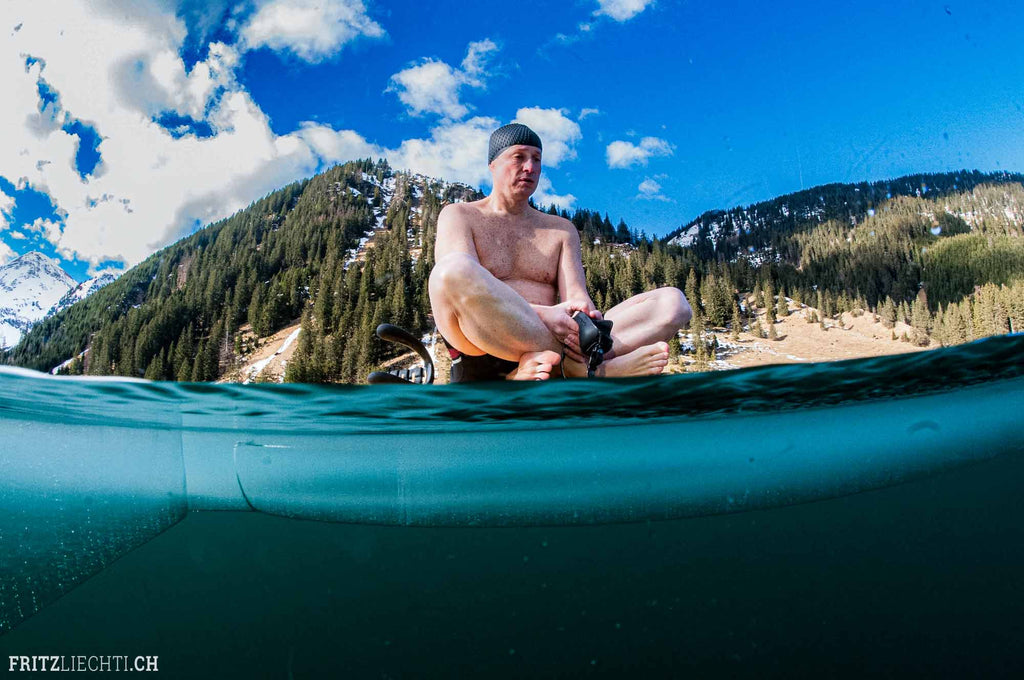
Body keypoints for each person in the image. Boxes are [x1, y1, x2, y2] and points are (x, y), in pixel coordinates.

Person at [429, 122, 692, 381]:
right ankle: (584, 370)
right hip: (483, 341)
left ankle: (572, 366)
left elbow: (577, 298)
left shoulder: (561, 230)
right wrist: (543, 313)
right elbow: (457, 284)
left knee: (673, 303)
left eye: (537, 159)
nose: (530, 167)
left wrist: (583, 320)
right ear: (493, 165)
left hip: (551, 340)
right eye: (518, 157)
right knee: (452, 270)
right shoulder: (460, 215)